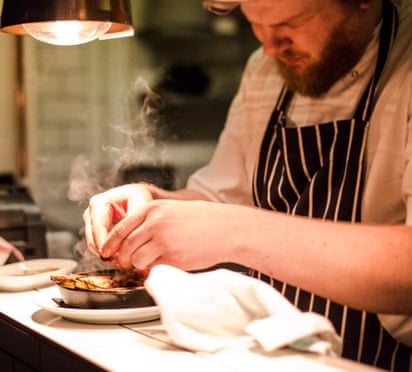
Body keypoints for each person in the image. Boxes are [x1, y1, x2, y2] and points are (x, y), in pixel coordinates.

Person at [82, 0, 412, 370]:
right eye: (255, 24)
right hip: (276, 356)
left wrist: (234, 230)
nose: (269, 47)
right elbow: (218, 197)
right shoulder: (266, 69)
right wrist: (151, 204)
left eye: (292, 22)